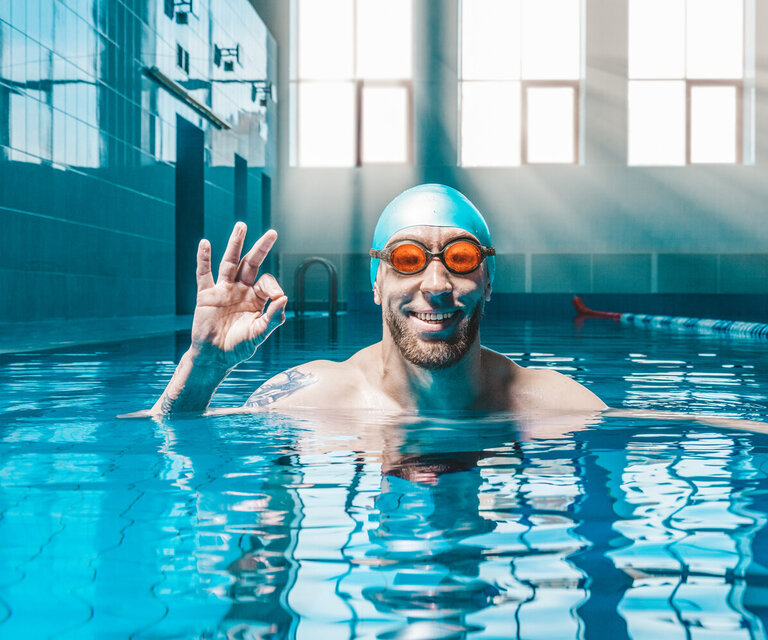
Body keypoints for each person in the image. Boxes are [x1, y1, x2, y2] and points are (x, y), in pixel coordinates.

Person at [152, 184, 605, 415]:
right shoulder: (311, 397)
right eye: (407, 259)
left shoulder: (558, 403)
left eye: (461, 257)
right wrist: (201, 371)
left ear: (488, 282)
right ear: (376, 283)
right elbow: (159, 433)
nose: (436, 284)